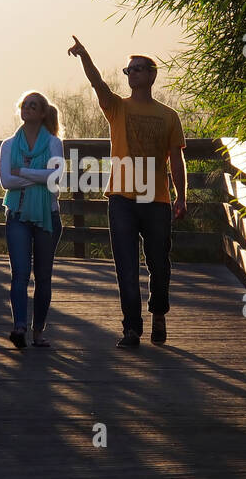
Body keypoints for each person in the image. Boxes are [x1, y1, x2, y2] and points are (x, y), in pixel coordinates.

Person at [66, 35, 186, 348]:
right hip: (121, 197)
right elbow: (97, 84)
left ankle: (158, 313)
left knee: (160, 264)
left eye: (136, 69)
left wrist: (181, 196)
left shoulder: (169, 116)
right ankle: (131, 328)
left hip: (155, 197)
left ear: (151, 74)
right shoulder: (117, 107)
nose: (130, 74)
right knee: (126, 267)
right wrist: (85, 56)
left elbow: (176, 158)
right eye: (128, 70)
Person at [0, 90, 65, 349]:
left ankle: (39, 331)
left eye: (33, 105)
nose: (27, 108)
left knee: (44, 276)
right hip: (17, 216)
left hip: (48, 216)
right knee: (20, 274)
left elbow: (55, 178)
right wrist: (40, 175)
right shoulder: (8, 145)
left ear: (43, 113)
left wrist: (22, 172)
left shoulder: (53, 143)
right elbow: (6, 181)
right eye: (24, 105)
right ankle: (19, 328)